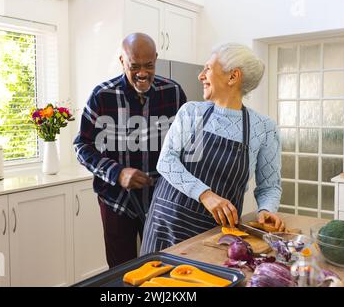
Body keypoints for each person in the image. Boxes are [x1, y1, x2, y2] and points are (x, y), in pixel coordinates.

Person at [140, 43, 284, 255]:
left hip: (216, 234)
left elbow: (270, 186)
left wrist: (266, 210)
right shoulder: (191, 112)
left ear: (233, 77)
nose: (201, 76)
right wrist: (205, 194)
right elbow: (166, 161)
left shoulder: (263, 128)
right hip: (166, 224)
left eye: (207, 68)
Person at [73, 33, 187, 268]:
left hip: (161, 200)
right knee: (121, 271)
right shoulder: (102, 96)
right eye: (134, 66)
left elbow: (186, 145)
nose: (142, 73)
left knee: (163, 270)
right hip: (116, 201)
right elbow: (82, 145)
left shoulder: (174, 93)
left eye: (149, 65)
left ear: (156, 59)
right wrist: (117, 172)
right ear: (122, 60)